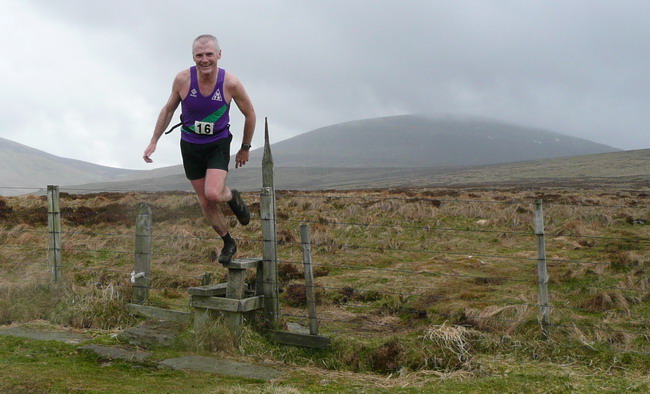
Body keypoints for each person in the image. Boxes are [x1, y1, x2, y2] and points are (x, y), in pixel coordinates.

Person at [143, 34, 255, 265]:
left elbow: (250, 114)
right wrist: (154, 140)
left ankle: (232, 196)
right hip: (191, 145)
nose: (204, 60)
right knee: (205, 201)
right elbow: (168, 109)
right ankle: (228, 241)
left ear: (219, 55)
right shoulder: (183, 79)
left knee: (214, 193)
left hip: (217, 144)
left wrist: (245, 147)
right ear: (193, 57)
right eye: (199, 55)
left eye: (209, 55)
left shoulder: (230, 83)